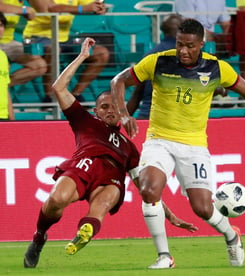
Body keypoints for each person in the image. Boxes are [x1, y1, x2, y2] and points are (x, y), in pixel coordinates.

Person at [110, 18, 245, 269]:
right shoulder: (158, 61)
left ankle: (232, 236)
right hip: (159, 139)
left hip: (193, 145)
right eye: (180, 44)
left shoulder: (217, 68)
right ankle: (164, 256)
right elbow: (117, 81)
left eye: (190, 46)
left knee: (203, 208)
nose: (183, 50)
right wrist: (125, 114)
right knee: (149, 190)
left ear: (202, 44)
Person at [23, 37, 198, 269]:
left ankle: (85, 231)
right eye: (104, 107)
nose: (110, 110)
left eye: (114, 105)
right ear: (96, 111)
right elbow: (58, 87)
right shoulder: (84, 121)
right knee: (56, 200)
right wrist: (82, 57)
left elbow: (144, 188)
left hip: (111, 177)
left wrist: (169, 214)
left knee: (104, 202)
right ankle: (39, 236)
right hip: (84, 164)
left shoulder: (129, 147)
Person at [23, 0, 110, 102]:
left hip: (64, 39)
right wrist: (82, 9)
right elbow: (51, 8)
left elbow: (90, 5)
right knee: (54, 49)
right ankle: (50, 98)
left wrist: (99, 8)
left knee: (101, 53)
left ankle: (75, 96)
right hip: (38, 37)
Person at [127, 14, 184, 119]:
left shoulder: (150, 55)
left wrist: (120, 123)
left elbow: (137, 94)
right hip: (173, 121)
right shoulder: (187, 55)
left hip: (146, 117)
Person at [0, 0, 47, 87]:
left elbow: (44, 9)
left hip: (10, 42)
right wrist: (24, 10)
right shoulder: (22, 8)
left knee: (39, 66)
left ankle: (3, 86)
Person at [0, 11, 14, 120]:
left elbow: (5, 89)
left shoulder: (3, 56)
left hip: (3, 116)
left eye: (1, 25)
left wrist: (12, 119)